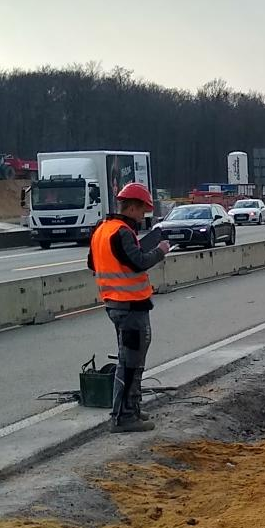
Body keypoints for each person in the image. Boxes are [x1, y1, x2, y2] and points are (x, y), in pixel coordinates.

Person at [88, 183, 171, 431]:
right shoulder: (122, 232)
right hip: (130, 305)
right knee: (131, 362)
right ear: (132, 207)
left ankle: (131, 408)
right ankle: (123, 417)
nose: (143, 215)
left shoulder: (102, 229)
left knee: (131, 359)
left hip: (115, 303)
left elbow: (94, 263)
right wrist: (160, 251)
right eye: (142, 210)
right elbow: (139, 262)